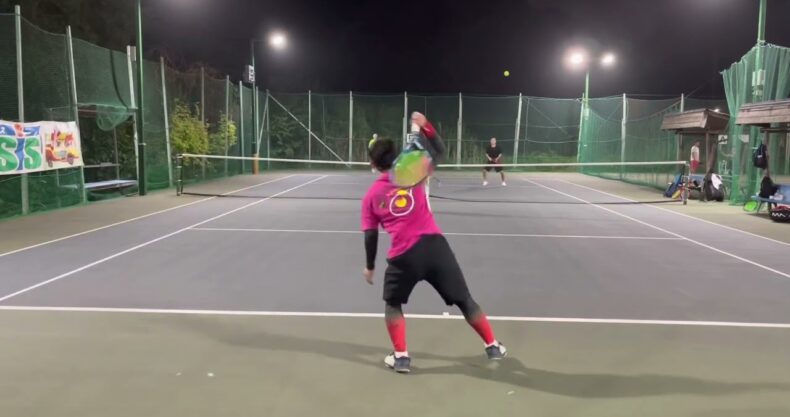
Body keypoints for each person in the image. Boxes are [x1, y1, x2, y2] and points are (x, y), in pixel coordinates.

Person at [361, 112, 507, 374]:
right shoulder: (411, 168)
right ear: (394, 156)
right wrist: (425, 126)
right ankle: (492, 345)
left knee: (393, 304)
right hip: (435, 248)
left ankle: (401, 357)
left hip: (403, 257)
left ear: (372, 163)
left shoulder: (371, 196)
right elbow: (440, 150)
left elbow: (370, 235)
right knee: (465, 300)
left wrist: (370, 267)